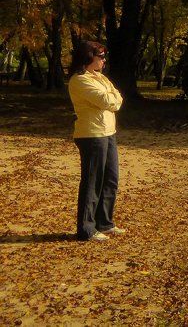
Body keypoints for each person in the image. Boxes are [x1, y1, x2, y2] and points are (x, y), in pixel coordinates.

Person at [67, 40, 125, 242]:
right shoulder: (80, 80)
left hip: (108, 132)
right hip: (91, 135)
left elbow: (117, 98)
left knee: (111, 179)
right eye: (100, 56)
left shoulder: (99, 78)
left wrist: (112, 98)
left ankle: (105, 223)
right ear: (89, 57)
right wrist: (112, 99)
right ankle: (86, 229)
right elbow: (108, 101)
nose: (104, 60)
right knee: (93, 182)